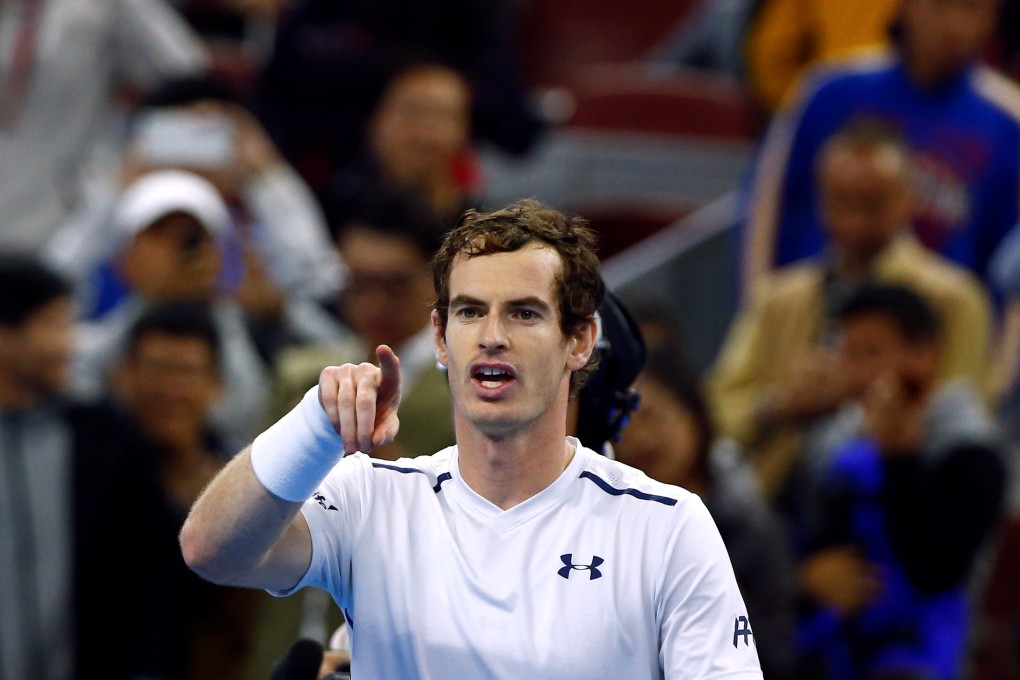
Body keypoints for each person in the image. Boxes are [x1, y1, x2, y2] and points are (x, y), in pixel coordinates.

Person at [180, 199, 764, 679]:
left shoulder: (668, 526)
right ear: (439, 336)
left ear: (581, 340)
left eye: (524, 313)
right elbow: (211, 550)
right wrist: (314, 424)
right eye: (469, 312)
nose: (491, 336)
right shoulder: (370, 496)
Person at [707, 117, 993, 500]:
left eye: (873, 203)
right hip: (772, 496)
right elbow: (716, 409)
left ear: (908, 198)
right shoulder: (778, 298)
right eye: (841, 201)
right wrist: (778, 406)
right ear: (820, 200)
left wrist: (859, 395)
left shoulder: (954, 299)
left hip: (900, 500)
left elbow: (965, 419)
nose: (855, 220)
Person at [793, 284, 1006, 680]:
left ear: (924, 355)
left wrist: (900, 457)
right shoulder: (832, 438)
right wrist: (805, 575)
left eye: (870, 353)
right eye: (846, 354)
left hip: (928, 653)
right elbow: (799, 537)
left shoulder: (970, 448)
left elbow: (936, 571)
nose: (855, 372)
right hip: (830, 647)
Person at [740, 0, 1020, 297]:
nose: (955, 26)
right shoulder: (829, 91)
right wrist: (758, 303)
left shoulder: (1006, 121)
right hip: (821, 307)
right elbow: (767, 212)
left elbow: (1006, 263)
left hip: (942, 318)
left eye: (972, 9)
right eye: (940, 6)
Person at [0, 255, 176, 680]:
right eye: (53, 325)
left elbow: (151, 573)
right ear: (5, 337)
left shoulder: (105, 436)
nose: (69, 345)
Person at [613, 326, 798, 680]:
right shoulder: (614, 527)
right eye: (625, 424)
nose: (641, 438)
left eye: (653, 416)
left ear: (693, 414)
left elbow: (774, 654)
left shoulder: (749, 523)